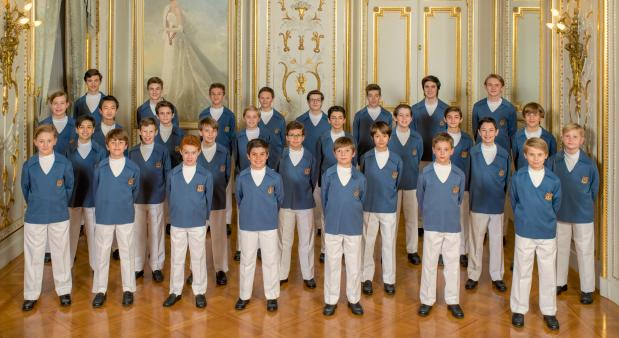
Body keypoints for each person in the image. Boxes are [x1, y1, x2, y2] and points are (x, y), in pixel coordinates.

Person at [509, 137, 561, 330]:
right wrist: (523, 218)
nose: (536, 158)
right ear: (525, 155)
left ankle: (549, 311)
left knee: (548, 272)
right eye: (532, 155)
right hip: (524, 231)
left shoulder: (553, 180)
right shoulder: (518, 177)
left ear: (546, 156)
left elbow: (556, 205)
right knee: (522, 270)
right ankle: (519, 309)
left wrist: (545, 219)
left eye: (540, 155)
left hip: (547, 232)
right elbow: (514, 201)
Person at [20, 124, 74, 311]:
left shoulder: (64, 163)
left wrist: (57, 202)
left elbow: (69, 187)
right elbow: (26, 189)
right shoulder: (29, 165)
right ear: (35, 142)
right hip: (35, 215)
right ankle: (31, 294)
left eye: (49, 141)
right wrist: (37, 203)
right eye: (41, 141)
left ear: (55, 141)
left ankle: (64, 290)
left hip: (59, 214)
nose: (45, 144)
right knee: (34, 255)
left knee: (61, 252)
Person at [417, 133, 466, 319]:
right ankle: (427, 299)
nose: (442, 153)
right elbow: (420, 198)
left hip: (452, 225)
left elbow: (459, 199)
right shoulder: (426, 173)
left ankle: (453, 300)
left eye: (446, 149)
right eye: (439, 149)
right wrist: (428, 214)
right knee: (429, 263)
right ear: (433, 150)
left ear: (452, 151)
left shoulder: (459, 174)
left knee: (452, 264)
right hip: (432, 225)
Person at [549, 123, 599, 305]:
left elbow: (594, 189)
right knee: (560, 248)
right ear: (562, 138)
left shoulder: (589, 164)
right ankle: (560, 282)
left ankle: (587, 289)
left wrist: (583, 204)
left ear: (582, 140)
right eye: (567, 136)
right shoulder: (554, 161)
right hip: (560, 212)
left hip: (582, 214)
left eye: (575, 137)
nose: (571, 140)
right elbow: (549, 185)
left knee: (584, 251)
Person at [91, 128, 140, 308]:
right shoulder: (100, 167)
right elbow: (95, 190)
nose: (117, 145)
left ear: (126, 145)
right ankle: (100, 289)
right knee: (102, 253)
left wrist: (125, 203)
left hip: (125, 214)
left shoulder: (133, 168)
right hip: (104, 215)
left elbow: (135, 191)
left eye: (120, 142)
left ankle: (128, 289)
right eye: (113, 142)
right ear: (107, 145)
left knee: (127, 252)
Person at [163, 135, 213, 308]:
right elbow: (170, 197)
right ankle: (175, 291)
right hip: (178, 221)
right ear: (181, 153)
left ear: (199, 152)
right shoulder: (172, 174)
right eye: (186, 153)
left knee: (198, 257)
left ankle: (199, 291)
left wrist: (203, 219)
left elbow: (208, 199)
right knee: (177, 257)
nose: (189, 156)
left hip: (198, 222)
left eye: (193, 153)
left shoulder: (205, 175)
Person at [234, 138, 284, 312]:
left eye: (262, 154)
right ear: (248, 156)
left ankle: (271, 296)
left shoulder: (275, 178)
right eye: (254, 155)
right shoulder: (242, 177)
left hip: (269, 224)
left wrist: (268, 213)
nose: (258, 158)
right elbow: (239, 199)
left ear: (267, 155)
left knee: (270, 260)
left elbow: (279, 200)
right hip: (248, 224)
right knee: (247, 260)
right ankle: (244, 295)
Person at [321, 136, 366, 316]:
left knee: (354, 263)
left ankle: (354, 298)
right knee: (332, 263)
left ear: (353, 153)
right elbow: (324, 200)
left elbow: (362, 199)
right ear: (334, 153)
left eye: (347, 151)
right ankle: (331, 300)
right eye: (339, 151)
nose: (343, 154)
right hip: (333, 225)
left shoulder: (360, 177)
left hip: (353, 225)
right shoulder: (328, 175)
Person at [466, 117, 510, 292]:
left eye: (491, 130)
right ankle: (473, 274)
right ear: (478, 132)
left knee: (496, 240)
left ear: (497, 132)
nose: (487, 134)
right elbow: (468, 179)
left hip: (496, 204)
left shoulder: (504, 154)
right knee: (476, 240)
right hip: (478, 204)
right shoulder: (473, 153)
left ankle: (497, 275)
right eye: (483, 130)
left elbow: (506, 181)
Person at [160, 0, 225, 119]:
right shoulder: (167, 7)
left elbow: (180, 28)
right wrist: (167, 33)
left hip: (177, 40)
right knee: (170, 66)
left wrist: (170, 31)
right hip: (169, 42)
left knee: (181, 67)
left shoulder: (178, 8)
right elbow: (165, 25)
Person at [232, 106, 281, 261]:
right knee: (244, 213)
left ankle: (260, 247)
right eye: (248, 117)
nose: (252, 120)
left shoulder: (266, 134)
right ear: (244, 118)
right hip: (245, 177)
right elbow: (235, 155)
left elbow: (273, 153)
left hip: (263, 176)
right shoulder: (238, 136)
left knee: (263, 212)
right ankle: (241, 247)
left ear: (259, 118)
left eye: (255, 117)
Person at [360, 121, 402, 295]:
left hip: (388, 207)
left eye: (384, 136)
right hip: (369, 207)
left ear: (389, 137)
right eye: (377, 136)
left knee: (388, 244)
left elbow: (397, 183)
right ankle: (366, 277)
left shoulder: (396, 159)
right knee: (368, 243)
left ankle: (389, 279)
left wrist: (390, 198)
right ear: (372, 138)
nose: (381, 139)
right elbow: (361, 181)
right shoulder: (366, 158)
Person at [128, 117, 171, 282]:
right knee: (138, 233)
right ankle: (138, 266)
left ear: (156, 132)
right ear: (139, 132)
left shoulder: (162, 151)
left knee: (156, 232)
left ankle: (156, 266)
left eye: (151, 131)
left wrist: (165, 195)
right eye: (144, 131)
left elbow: (167, 174)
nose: (147, 135)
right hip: (137, 199)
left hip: (156, 198)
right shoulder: (132, 152)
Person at [277, 121, 318, 289]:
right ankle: (282, 273)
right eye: (292, 135)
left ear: (303, 137)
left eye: (298, 135)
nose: (295, 138)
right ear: (287, 137)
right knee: (284, 241)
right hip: (285, 203)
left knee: (306, 241)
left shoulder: (310, 157)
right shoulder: (280, 155)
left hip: (304, 203)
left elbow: (313, 180)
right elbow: (274, 178)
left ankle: (308, 274)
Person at [66, 115, 106, 270]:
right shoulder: (68, 149)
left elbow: (103, 177)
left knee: (94, 234)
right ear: (76, 129)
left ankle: (96, 267)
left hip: (93, 198)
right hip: (73, 198)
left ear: (93, 130)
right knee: (71, 233)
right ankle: (67, 265)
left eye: (89, 127)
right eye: (81, 127)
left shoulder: (100, 151)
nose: (85, 130)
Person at [197, 117, 231, 285]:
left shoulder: (224, 151)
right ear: (200, 132)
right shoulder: (194, 150)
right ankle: (195, 270)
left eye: (213, 131)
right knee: (197, 236)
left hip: (218, 198)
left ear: (217, 133)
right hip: (197, 202)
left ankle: (220, 269)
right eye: (207, 130)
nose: (210, 134)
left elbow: (226, 176)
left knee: (219, 235)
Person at [198, 83, 236, 233]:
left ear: (223, 95)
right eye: (213, 93)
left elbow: (232, 137)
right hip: (206, 153)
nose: (216, 96)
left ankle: (225, 221)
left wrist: (230, 155)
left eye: (219, 93)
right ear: (209, 95)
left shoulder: (229, 115)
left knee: (224, 189)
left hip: (222, 155)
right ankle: (206, 219)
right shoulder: (203, 114)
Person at [388, 104, 423, 265]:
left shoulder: (417, 137)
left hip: (411, 183)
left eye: (407, 115)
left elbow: (419, 157)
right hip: (391, 185)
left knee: (412, 218)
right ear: (395, 117)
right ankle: (388, 250)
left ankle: (412, 250)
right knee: (391, 220)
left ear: (411, 118)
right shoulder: (388, 136)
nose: (403, 118)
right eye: (400, 115)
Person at [296, 90, 330, 247]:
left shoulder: (328, 120)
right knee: (308, 199)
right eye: (312, 100)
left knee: (323, 199)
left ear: (322, 101)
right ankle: (311, 229)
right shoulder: (300, 120)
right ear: (308, 102)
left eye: (318, 100)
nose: (315, 102)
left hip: (324, 165)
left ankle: (322, 229)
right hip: (305, 165)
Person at [444, 106, 474, 267]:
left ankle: (463, 251)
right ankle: (443, 252)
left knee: (463, 218)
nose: (453, 120)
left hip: (463, 184)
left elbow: (471, 163)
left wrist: (468, 184)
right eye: (450, 117)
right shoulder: (440, 137)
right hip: (442, 185)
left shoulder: (468, 139)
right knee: (444, 217)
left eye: (456, 117)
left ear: (461, 119)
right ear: (445, 119)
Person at [472, 74, 517, 151]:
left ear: (502, 87)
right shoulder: (477, 106)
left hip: (503, 148)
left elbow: (512, 133)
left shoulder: (509, 108)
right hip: (482, 149)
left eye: (497, 85)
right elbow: (475, 130)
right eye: (490, 85)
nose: (493, 88)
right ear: (485, 87)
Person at [411, 75, 448, 164]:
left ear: (438, 88)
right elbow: (411, 134)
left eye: (433, 87)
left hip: (441, 155)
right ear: (423, 89)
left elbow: (449, 135)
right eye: (426, 87)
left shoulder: (446, 109)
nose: (429, 90)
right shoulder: (414, 109)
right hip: (419, 155)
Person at [512, 102, 557, 170]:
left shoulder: (549, 138)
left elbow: (552, 160)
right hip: (523, 176)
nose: (531, 118)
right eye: (528, 115)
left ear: (541, 118)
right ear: (524, 117)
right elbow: (514, 158)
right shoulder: (517, 136)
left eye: (535, 115)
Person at [353, 84, 392, 159]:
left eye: (376, 96)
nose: (373, 99)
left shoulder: (387, 115)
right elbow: (355, 139)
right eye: (370, 96)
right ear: (367, 97)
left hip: (383, 155)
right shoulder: (359, 115)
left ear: (380, 97)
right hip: (363, 156)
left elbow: (390, 139)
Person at [39, 91, 77, 156]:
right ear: (50, 105)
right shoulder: (43, 125)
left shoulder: (76, 124)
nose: (58, 106)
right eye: (55, 103)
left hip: (70, 165)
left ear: (67, 104)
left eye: (62, 103)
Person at [155, 100, 185, 168]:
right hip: (156, 173)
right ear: (157, 116)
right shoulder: (151, 133)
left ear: (173, 115)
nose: (165, 116)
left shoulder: (181, 133)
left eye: (168, 113)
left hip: (175, 171)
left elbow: (184, 157)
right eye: (162, 113)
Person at [257, 86, 286, 154]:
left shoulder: (280, 118)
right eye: (262, 98)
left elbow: (284, 141)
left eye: (268, 98)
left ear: (272, 99)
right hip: (257, 156)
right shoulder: (253, 116)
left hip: (276, 156)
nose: (265, 101)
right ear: (259, 99)